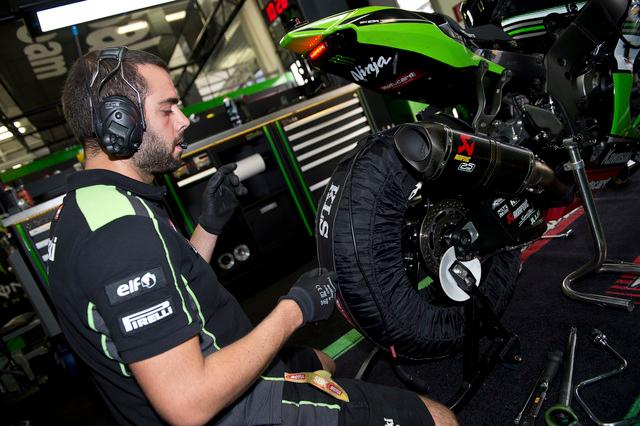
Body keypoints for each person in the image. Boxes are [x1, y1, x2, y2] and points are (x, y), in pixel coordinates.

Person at [48, 46, 458, 425]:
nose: (184, 120)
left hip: (218, 356)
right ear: (120, 121)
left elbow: (169, 285)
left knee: (322, 362)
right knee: (437, 418)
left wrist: (209, 226)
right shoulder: (120, 235)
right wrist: (294, 309)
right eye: (168, 109)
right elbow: (189, 403)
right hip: (227, 409)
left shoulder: (91, 205)